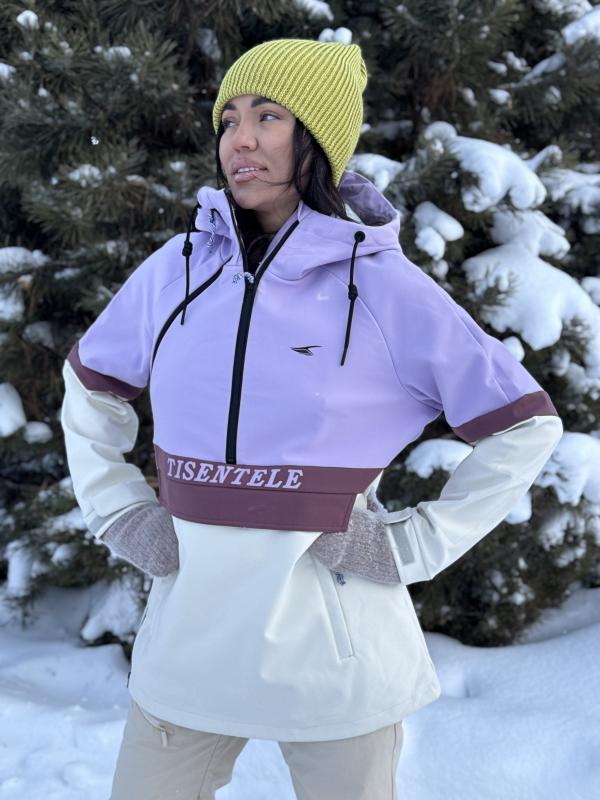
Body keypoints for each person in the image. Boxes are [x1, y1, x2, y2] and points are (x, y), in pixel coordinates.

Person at [59, 38, 563, 800]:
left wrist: (414, 543)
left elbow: (524, 424)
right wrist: (122, 511)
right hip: (188, 652)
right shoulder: (178, 269)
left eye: (268, 116)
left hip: (337, 664)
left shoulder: (383, 287)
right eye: (229, 119)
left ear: (318, 140)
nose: (241, 139)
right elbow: (90, 388)